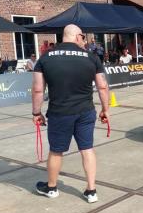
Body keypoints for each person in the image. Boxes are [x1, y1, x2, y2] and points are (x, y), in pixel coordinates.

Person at [32, 24, 109, 203]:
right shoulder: (91, 58)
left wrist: (36, 112)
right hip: (85, 112)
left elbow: (37, 90)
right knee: (87, 149)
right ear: (76, 36)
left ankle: (51, 188)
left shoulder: (45, 58)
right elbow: (102, 86)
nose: (84, 40)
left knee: (56, 151)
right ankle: (91, 191)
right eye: (83, 36)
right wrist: (105, 110)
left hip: (60, 113)